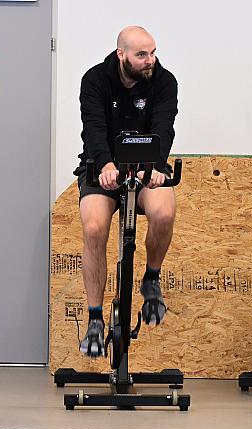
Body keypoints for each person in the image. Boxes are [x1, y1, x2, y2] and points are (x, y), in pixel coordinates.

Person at [74, 26, 178, 357]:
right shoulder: (95, 80)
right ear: (122, 55)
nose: (151, 60)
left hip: (147, 165)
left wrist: (156, 165)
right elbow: (94, 128)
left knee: (163, 212)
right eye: (142, 55)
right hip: (102, 167)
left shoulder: (164, 81)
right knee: (93, 227)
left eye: (153, 52)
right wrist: (105, 165)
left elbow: (164, 126)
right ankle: (94, 319)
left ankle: (150, 278)